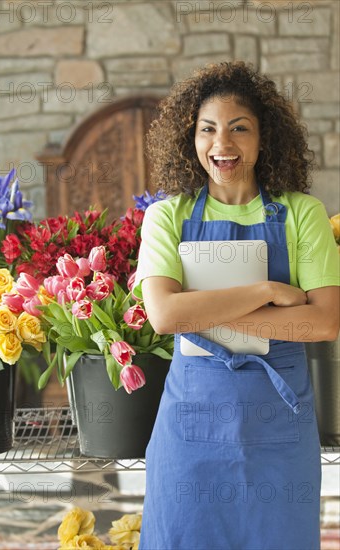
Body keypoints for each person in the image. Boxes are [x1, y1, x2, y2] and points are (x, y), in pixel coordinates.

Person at [132, 61, 340, 549]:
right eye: (208, 129)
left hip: (280, 435)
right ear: (192, 139)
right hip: (190, 434)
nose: (221, 143)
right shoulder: (167, 216)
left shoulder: (301, 213)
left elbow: (326, 321)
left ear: (264, 138)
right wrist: (266, 291)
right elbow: (164, 316)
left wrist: (198, 310)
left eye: (238, 128)